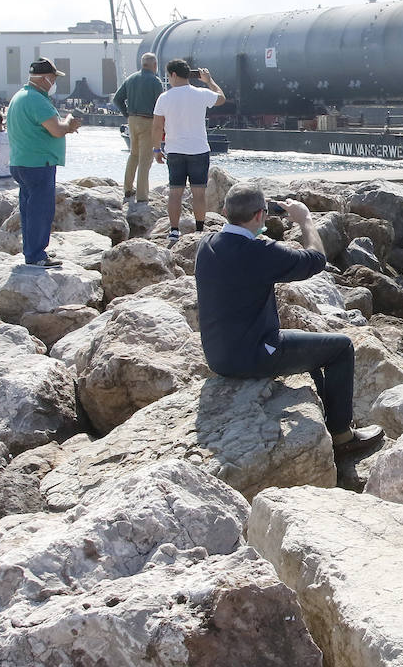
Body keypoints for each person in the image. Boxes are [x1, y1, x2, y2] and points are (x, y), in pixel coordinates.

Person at [194, 181, 385, 453]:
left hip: (218, 356)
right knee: (341, 348)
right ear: (261, 215)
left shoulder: (207, 244)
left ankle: (328, 415)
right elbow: (316, 259)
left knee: (312, 351)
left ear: (225, 210)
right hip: (252, 356)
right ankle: (342, 436)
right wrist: (305, 219)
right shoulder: (259, 252)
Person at [6, 58, 82, 268]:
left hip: (21, 161)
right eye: (54, 78)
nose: (55, 82)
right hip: (38, 163)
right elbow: (56, 129)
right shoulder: (36, 100)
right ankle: (36, 255)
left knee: (29, 209)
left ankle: (31, 251)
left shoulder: (20, 97)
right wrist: (69, 122)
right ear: (46, 78)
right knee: (41, 210)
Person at [152, 59, 224, 244]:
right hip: (199, 149)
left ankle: (174, 231)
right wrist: (209, 81)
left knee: (175, 192)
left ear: (173, 75)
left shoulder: (164, 97)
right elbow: (221, 98)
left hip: (175, 150)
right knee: (198, 193)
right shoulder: (201, 94)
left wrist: (156, 149)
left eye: (168, 75)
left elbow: (157, 126)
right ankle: (200, 229)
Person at [113, 53, 164, 204]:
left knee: (133, 155)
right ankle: (142, 196)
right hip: (147, 121)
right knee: (145, 160)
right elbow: (161, 105)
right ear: (154, 65)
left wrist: (127, 113)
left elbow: (117, 99)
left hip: (132, 120)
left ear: (142, 64)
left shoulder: (131, 78)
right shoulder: (155, 82)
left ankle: (128, 189)